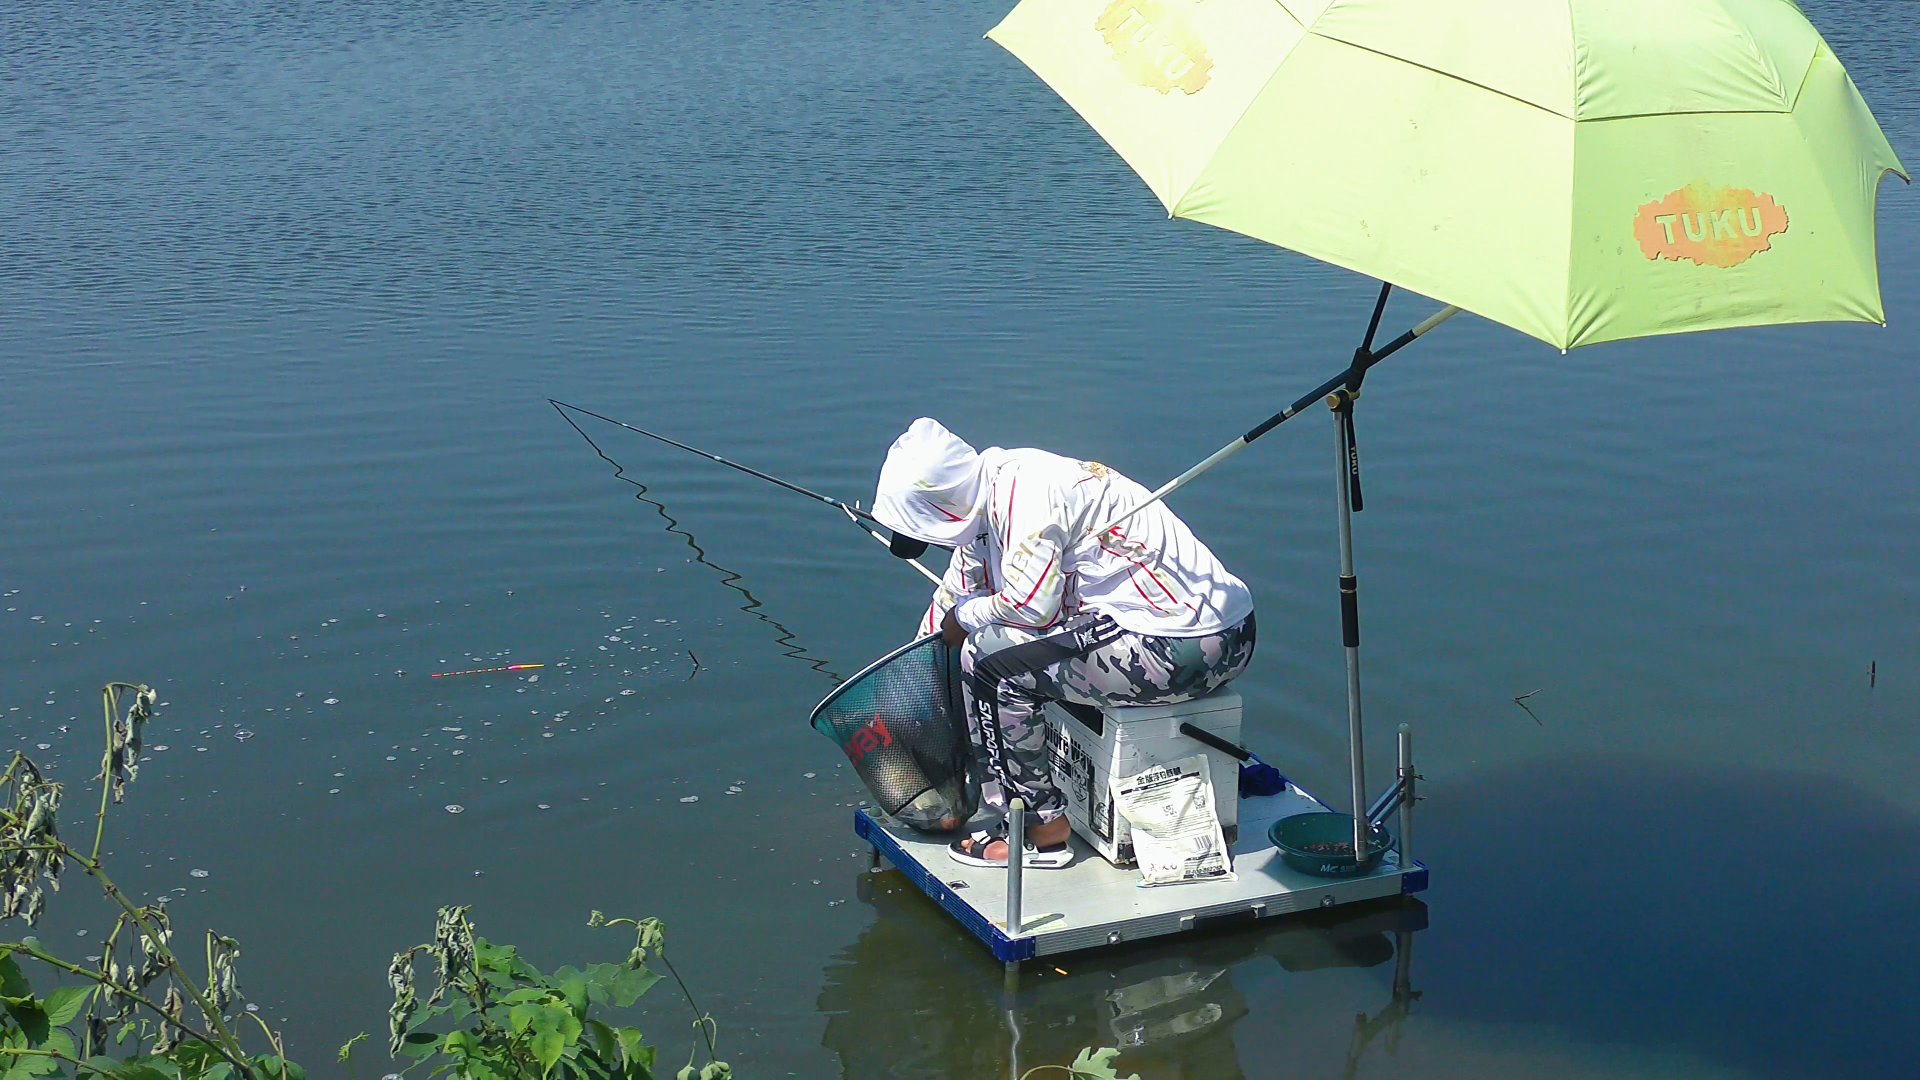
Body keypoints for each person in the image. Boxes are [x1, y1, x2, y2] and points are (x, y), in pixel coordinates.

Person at [872, 418, 1256, 869]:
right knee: (998, 643)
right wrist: (914, 678)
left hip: (1189, 645)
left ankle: (1038, 833)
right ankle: (1016, 787)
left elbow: (1034, 609)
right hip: (1198, 632)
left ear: (940, 505)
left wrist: (965, 618)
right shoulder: (987, 495)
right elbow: (953, 597)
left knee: (992, 664)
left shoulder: (1027, 496)